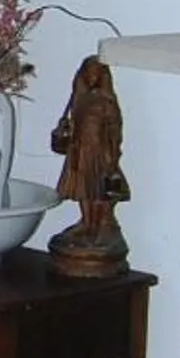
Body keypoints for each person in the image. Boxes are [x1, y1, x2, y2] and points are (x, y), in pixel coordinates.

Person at [48, 54, 130, 271]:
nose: (92, 77)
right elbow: (76, 123)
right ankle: (86, 222)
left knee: (98, 190)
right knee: (83, 189)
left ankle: (100, 225)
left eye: (96, 73)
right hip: (80, 150)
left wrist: (112, 154)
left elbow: (114, 129)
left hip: (99, 151)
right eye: (89, 73)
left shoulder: (106, 102)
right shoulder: (79, 99)